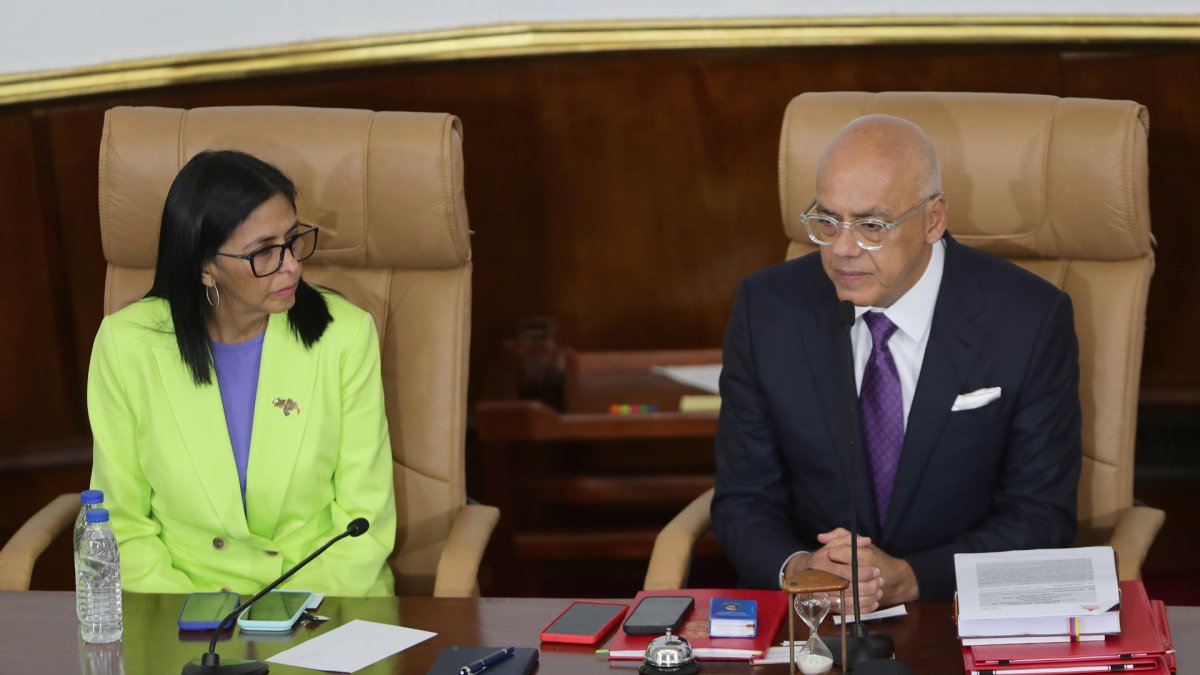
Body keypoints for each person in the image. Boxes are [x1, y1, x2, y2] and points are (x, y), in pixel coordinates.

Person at [711, 114, 1081, 607]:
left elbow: (1041, 513)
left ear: (933, 219)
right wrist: (800, 569)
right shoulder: (768, 309)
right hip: (815, 615)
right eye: (827, 221)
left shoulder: (1028, 319)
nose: (842, 249)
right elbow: (744, 497)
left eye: (872, 226)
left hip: (955, 610)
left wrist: (911, 578)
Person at [88, 150, 396, 596]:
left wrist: (281, 615)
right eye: (264, 252)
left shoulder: (344, 335)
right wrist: (194, 618)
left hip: (326, 599)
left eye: (293, 240)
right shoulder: (125, 346)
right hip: (181, 606)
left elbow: (364, 520)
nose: (291, 264)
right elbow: (123, 523)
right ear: (204, 266)